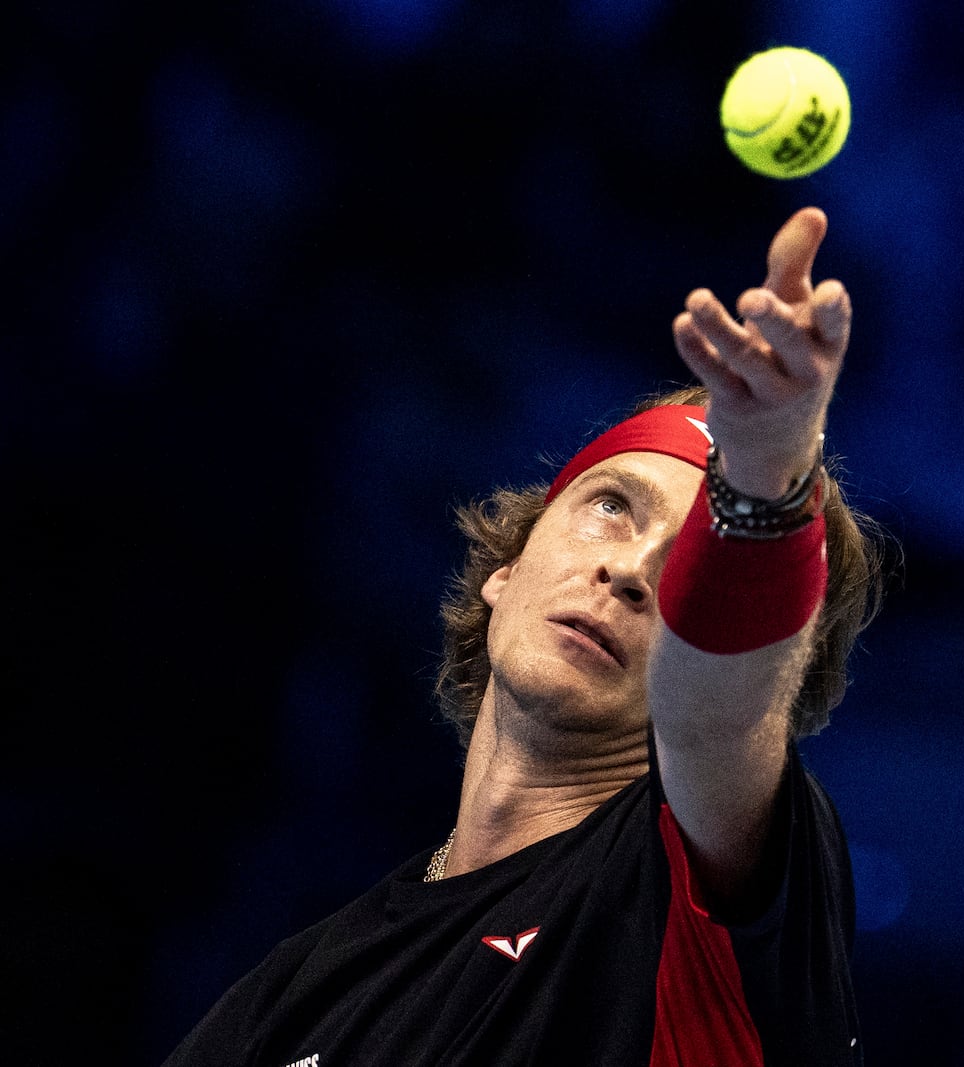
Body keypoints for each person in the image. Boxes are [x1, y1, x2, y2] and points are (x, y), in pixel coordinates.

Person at [163, 206, 886, 1066]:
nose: (632, 570)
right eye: (611, 507)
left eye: (694, 558)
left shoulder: (704, 893)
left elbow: (718, 707)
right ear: (506, 569)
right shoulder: (294, 986)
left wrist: (768, 473)